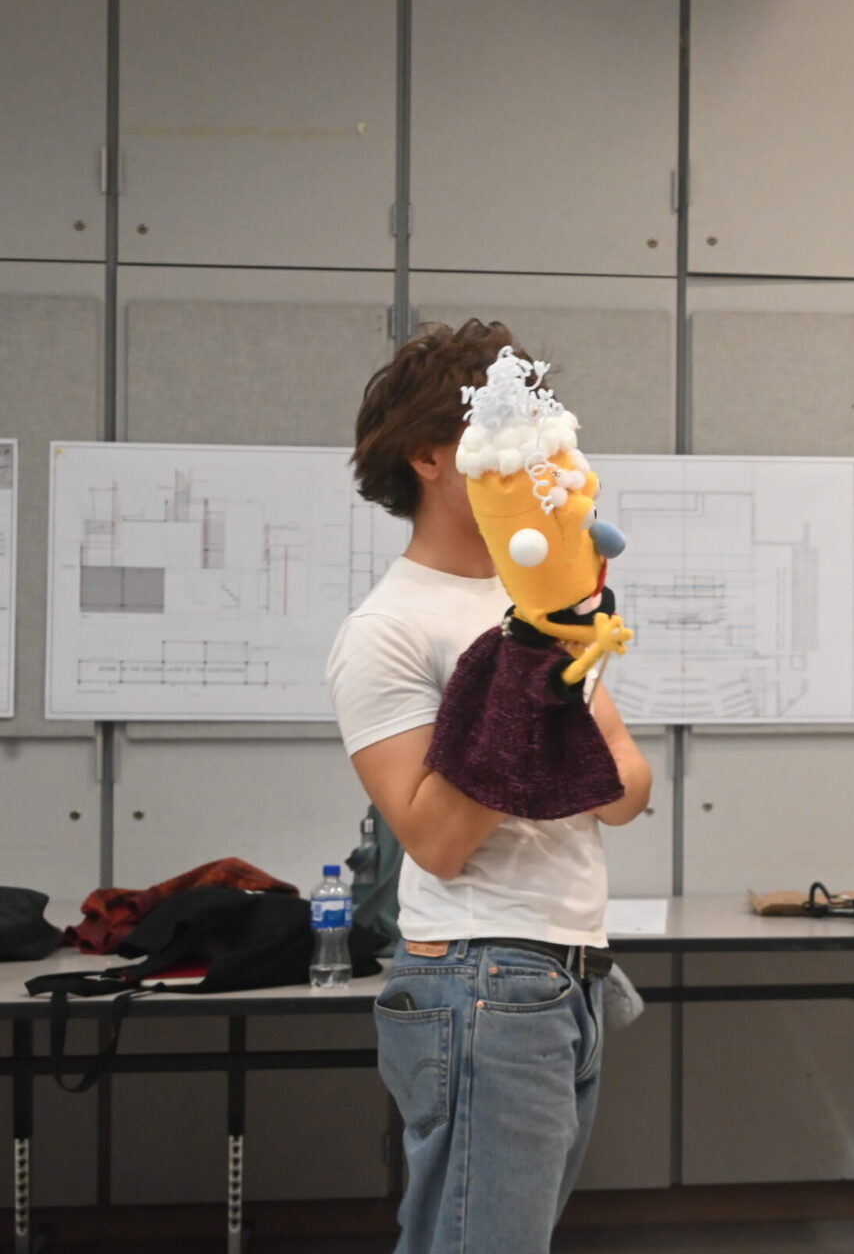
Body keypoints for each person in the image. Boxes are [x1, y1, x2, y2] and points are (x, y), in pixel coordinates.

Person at [326, 319, 653, 1254]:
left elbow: (629, 784)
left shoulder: (542, 599)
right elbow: (436, 839)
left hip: (570, 975)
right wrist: (523, 682)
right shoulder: (387, 629)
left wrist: (547, 660)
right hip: (480, 976)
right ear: (431, 457)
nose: (543, 466)